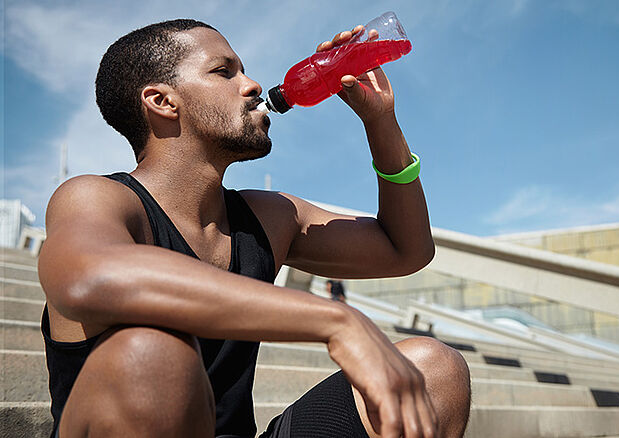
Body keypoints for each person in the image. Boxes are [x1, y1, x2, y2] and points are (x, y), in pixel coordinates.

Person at [38, 19, 471, 438]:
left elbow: (406, 250)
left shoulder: (268, 217)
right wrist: (337, 320)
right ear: (163, 102)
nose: (252, 85)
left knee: (435, 367)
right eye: (224, 72)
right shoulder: (97, 198)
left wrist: (380, 121)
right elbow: (88, 277)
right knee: (150, 356)